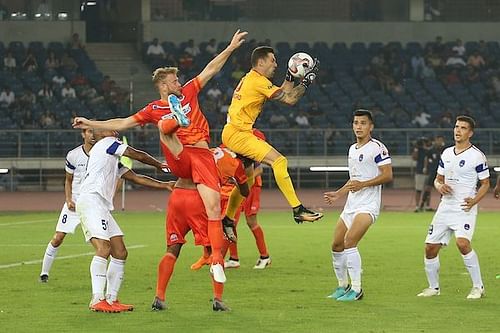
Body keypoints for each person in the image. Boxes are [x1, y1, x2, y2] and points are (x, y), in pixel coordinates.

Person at [73, 29, 248, 294]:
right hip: (181, 154)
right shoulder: (152, 107)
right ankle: (175, 120)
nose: (180, 83)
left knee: (214, 208)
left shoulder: (189, 91)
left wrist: (231, 47)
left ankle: (215, 260)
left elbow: (211, 69)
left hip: (197, 157)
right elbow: (122, 123)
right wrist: (91, 122)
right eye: (175, 81)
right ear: (164, 85)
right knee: (163, 127)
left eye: (179, 80)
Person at [221, 45, 322, 225]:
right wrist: (307, 81)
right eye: (272, 60)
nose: (276, 64)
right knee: (279, 161)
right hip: (238, 134)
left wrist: (290, 75)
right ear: (260, 62)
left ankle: (227, 219)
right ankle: (298, 209)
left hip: (235, 131)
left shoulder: (253, 78)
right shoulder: (257, 81)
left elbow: (284, 91)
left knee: (249, 180)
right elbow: (290, 99)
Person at [77, 128, 170, 312]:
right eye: (111, 128)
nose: (115, 129)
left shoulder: (109, 156)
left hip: (101, 205)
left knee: (120, 252)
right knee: (104, 248)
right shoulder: (107, 144)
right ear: (102, 134)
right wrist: (159, 165)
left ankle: (112, 299)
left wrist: (165, 185)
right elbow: (137, 155)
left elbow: (135, 177)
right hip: (91, 200)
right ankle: (97, 299)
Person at [153, 136, 249, 312]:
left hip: (178, 195)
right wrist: (234, 182)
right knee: (215, 250)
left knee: (173, 248)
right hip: (199, 200)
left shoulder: (207, 150)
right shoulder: (235, 163)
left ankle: (159, 297)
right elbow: (245, 190)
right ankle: (218, 300)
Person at [417, 115, 490, 299]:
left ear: (470, 133)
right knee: (429, 248)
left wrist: (474, 201)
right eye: (456, 127)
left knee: (462, 243)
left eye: (463, 128)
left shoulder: (477, 156)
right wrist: (439, 187)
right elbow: (437, 179)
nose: (458, 130)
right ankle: (433, 288)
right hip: (445, 207)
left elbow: (486, 184)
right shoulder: (447, 153)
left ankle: (478, 287)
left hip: (465, 207)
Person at [324, 109, 393, 301]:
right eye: (356, 123)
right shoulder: (352, 149)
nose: (359, 126)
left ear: (371, 126)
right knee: (336, 244)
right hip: (351, 205)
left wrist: (364, 184)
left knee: (349, 242)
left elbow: (388, 174)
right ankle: (342, 286)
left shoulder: (377, 148)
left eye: (363, 123)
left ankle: (357, 289)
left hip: (368, 205)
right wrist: (338, 194)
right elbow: (354, 179)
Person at [39, 129, 95, 282]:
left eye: (95, 131)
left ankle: (103, 279)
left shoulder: (102, 155)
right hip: (74, 204)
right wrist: (68, 199)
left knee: (100, 243)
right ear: (83, 134)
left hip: (92, 205)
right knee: (58, 238)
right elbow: (68, 180)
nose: (93, 134)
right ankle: (44, 274)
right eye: (90, 131)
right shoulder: (73, 155)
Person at [223, 129, 271, 269]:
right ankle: (234, 258)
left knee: (251, 221)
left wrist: (244, 179)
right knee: (231, 220)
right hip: (240, 187)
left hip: (252, 187)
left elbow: (259, 169)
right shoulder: (237, 138)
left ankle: (265, 256)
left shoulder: (249, 142)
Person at [418, 135, 445, 211]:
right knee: (428, 188)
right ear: (436, 141)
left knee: (443, 189)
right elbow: (426, 158)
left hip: (443, 173)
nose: (439, 142)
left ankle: (443, 207)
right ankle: (422, 205)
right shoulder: (432, 150)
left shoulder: (445, 150)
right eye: (438, 140)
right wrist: (425, 167)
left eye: (441, 140)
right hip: (433, 171)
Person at [412, 136, 429, 212]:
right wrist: (416, 148)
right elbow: (414, 157)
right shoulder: (418, 150)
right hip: (419, 171)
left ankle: (426, 206)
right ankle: (417, 206)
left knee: (427, 190)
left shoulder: (429, 150)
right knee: (418, 189)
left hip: (428, 171)